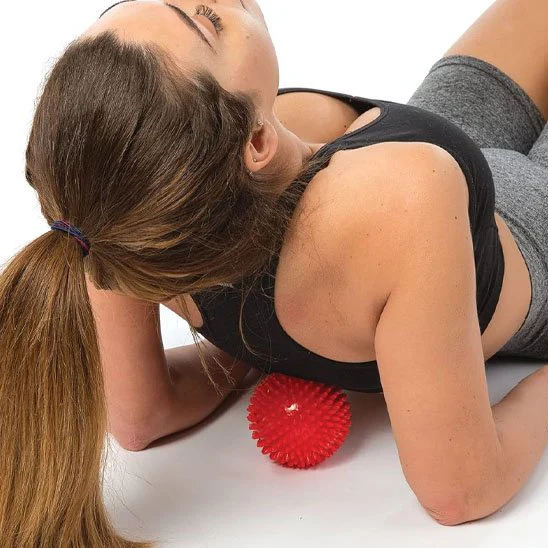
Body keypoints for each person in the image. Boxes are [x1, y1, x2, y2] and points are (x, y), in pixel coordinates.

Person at [2, 0, 548, 545]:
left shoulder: (123, 211)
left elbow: (144, 415)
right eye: (206, 22)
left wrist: (254, 352)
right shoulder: (401, 199)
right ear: (256, 143)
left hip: (453, 188)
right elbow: (462, 490)